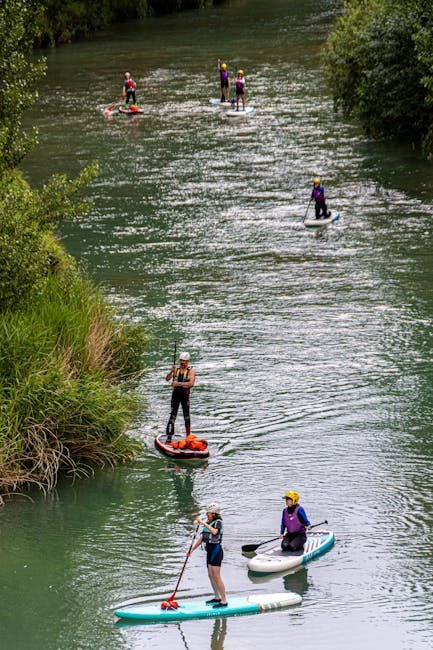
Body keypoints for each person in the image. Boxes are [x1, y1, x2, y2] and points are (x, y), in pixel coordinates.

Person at [188, 503, 227, 608]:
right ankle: (217, 597)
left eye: (208, 512)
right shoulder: (209, 522)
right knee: (210, 575)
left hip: (216, 550)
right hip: (209, 551)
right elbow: (202, 538)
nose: (207, 514)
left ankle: (224, 601)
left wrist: (203, 524)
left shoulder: (218, 522)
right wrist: (191, 550)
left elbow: (214, 532)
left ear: (214, 513)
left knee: (217, 576)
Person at [165, 351, 195, 440]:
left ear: (187, 361)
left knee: (186, 416)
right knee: (173, 415)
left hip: (185, 396)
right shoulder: (176, 370)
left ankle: (188, 437)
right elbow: (167, 379)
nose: (182, 363)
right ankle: (169, 437)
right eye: (181, 361)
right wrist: (171, 371)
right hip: (175, 396)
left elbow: (191, 384)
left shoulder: (191, 371)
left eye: (184, 361)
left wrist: (178, 384)